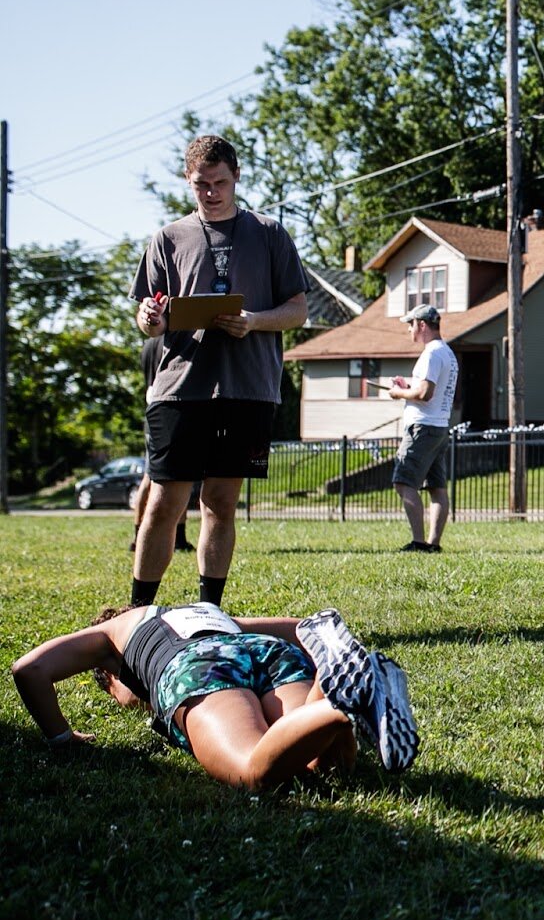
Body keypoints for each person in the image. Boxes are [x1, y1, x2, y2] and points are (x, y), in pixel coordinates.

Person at [130, 134, 309, 608]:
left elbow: (297, 311)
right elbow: (148, 318)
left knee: (220, 504)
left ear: (237, 177)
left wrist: (253, 321)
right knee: (165, 502)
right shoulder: (167, 238)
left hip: (247, 389)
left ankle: (210, 609)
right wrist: (150, 319)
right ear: (188, 182)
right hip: (179, 389)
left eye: (219, 182)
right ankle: (138, 612)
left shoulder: (269, 234)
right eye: (200, 185)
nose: (210, 192)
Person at [11, 604, 417, 790]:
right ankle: (339, 690)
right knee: (325, 767)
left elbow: (28, 669)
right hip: (262, 649)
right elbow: (301, 628)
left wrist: (62, 739)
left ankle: (335, 700)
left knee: (251, 771)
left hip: (196, 666)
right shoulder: (199, 611)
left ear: (111, 676)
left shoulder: (112, 637)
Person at [387, 303, 459, 553]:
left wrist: (398, 392)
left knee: (403, 481)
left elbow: (425, 393)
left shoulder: (431, 353)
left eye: (411, 324)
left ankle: (418, 543)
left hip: (422, 428)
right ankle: (433, 544)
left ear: (422, 325)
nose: (409, 330)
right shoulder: (448, 353)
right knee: (436, 487)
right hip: (439, 427)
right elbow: (428, 391)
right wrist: (407, 386)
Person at [130, 337, 191, 554]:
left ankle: (140, 535)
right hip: (168, 410)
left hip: (153, 412)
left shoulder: (146, 345)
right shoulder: (171, 339)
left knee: (155, 478)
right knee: (170, 477)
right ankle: (173, 537)